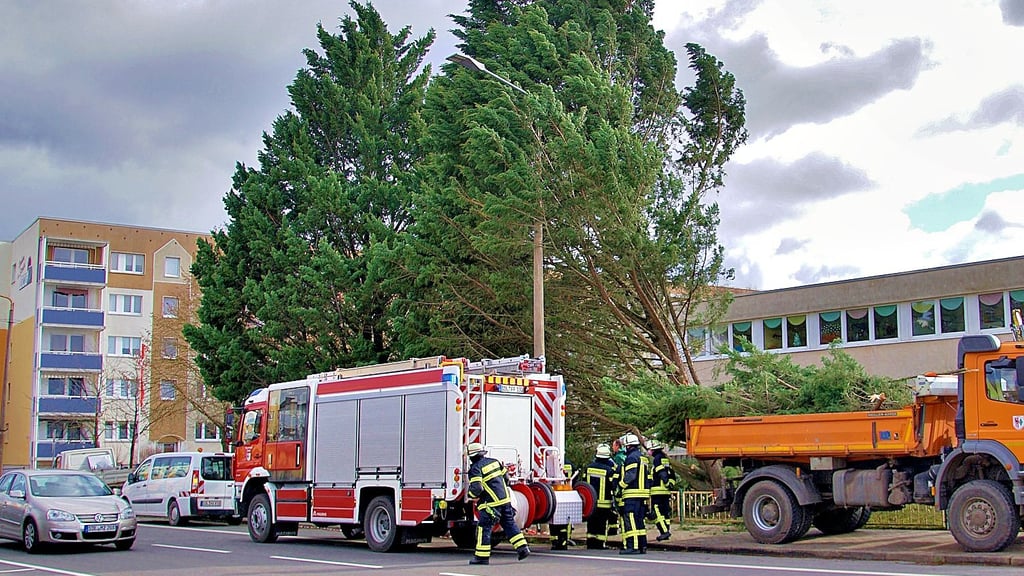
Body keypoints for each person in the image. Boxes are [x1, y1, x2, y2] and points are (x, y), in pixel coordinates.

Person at [466, 442, 531, 565]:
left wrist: (471, 497)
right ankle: (523, 549)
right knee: (509, 524)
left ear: (472, 456)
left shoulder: (475, 468)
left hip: (490, 505)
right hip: (505, 500)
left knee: (484, 528)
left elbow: (477, 488)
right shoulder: (494, 462)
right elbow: (506, 478)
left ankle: (481, 557)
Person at [617, 433, 650, 555]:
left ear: (628, 446)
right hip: (642, 495)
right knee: (639, 520)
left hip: (632, 494)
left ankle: (633, 546)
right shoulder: (642, 457)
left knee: (630, 520)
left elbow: (630, 475)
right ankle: (642, 545)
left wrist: (620, 486)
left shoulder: (631, 458)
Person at [585, 443, 618, 549]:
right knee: (601, 523)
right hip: (604, 503)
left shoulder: (588, 468)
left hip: (591, 502)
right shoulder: (609, 470)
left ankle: (590, 542)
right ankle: (599, 544)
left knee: (591, 523)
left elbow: (584, 484)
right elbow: (613, 486)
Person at [648, 440, 676, 541]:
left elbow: (662, 473)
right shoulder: (665, 458)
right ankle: (666, 531)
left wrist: (666, 482)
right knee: (665, 512)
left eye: (649, 449)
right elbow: (671, 473)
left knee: (657, 511)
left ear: (653, 449)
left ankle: (664, 532)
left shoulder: (657, 459)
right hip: (665, 491)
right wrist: (670, 484)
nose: (648, 452)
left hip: (657, 491)